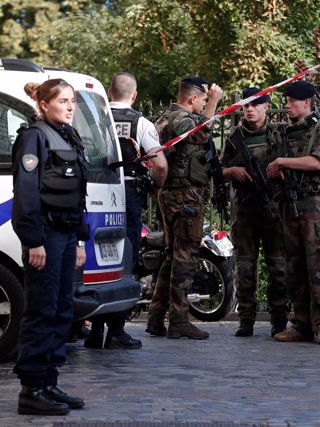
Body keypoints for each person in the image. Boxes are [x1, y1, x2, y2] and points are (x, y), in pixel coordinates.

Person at [12, 79, 89, 415]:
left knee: (61, 310)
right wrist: (34, 241)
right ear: (44, 104)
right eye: (63, 101)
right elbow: (26, 193)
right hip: (45, 235)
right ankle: (31, 389)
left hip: (67, 234)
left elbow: (77, 194)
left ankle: (48, 382)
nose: (70, 107)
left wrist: (81, 239)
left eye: (72, 101)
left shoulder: (69, 135)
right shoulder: (34, 137)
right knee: (41, 311)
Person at [84, 72, 167, 350]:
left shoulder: (97, 118)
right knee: (125, 259)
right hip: (129, 193)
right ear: (134, 95)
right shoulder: (140, 122)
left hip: (98, 191)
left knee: (101, 260)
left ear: (109, 91)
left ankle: (95, 330)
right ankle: (117, 330)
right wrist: (156, 186)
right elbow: (160, 163)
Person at [145, 76, 222, 340]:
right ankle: (179, 320)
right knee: (184, 257)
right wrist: (213, 103)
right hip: (185, 198)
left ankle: (156, 318)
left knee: (171, 256)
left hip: (170, 196)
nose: (203, 105)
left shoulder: (164, 118)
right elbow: (200, 135)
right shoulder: (181, 119)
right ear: (192, 98)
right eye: (201, 100)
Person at [266, 81, 320, 345]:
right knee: (294, 266)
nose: (287, 106)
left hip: (312, 203)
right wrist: (277, 168)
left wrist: (283, 162)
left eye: (291, 101)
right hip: (288, 203)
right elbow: (270, 166)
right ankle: (300, 324)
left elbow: (318, 161)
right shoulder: (284, 133)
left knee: (317, 264)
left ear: (306, 103)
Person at [221, 87, 289, 337]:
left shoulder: (279, 134)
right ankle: (246, 319)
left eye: (254, 104)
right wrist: (232, 172)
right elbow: (218, 170)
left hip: (274, 207)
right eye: (245, 105)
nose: (249, 109)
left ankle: (279, 319)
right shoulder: (235, 137)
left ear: (265, 107)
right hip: (246, 208)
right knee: (245, 265)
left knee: (278, 266)